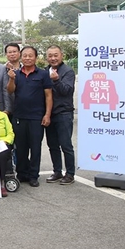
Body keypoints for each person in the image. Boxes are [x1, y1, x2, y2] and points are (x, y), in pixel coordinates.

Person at [8, 46, 53, 187]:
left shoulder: (43, 74)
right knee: (20, 148)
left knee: (35, 147)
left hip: (36, 117)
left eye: (30, 56)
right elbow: (10, 91)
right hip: (19, 116)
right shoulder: (16, 74)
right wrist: (11, 79)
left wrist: (47, 114)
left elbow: (48, 95)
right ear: (21, 57)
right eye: (25, 56)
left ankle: (33, 176)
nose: (27, 58)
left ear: (36, 58)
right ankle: (22, 174)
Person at [44, 45, 76, 185]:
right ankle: (57, 171)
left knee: (66, 145)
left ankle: (70, 173)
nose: (53, 58)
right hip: (49, 114)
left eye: (55, 55)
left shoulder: (68, 71)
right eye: (50, 55)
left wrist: (56, 80)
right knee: (52, 145)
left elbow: (67, 91)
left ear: (61, 55)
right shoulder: (45, 71)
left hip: (63, 113)